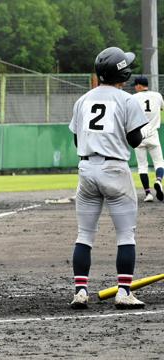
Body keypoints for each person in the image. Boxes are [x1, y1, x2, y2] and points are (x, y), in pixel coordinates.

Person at [68, 47, 148, 310]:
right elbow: (135, 140)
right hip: (115, 169)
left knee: (84, 235)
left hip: (86, 169)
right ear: (123, 73)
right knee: (126, 235)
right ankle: (124, 291)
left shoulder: (83, 100)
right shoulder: (127, 100)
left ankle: (80, 291)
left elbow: (76, 139)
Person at [131, 75, 164, 202]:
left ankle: (148, 194)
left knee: (142, 166)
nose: (135, 87)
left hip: (139, 135)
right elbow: (162, 108)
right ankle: (158, 181)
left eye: (135, 85)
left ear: (139, 85)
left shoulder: (133, 98)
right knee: (159, 162)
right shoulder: (157, 96)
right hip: (153, 134)